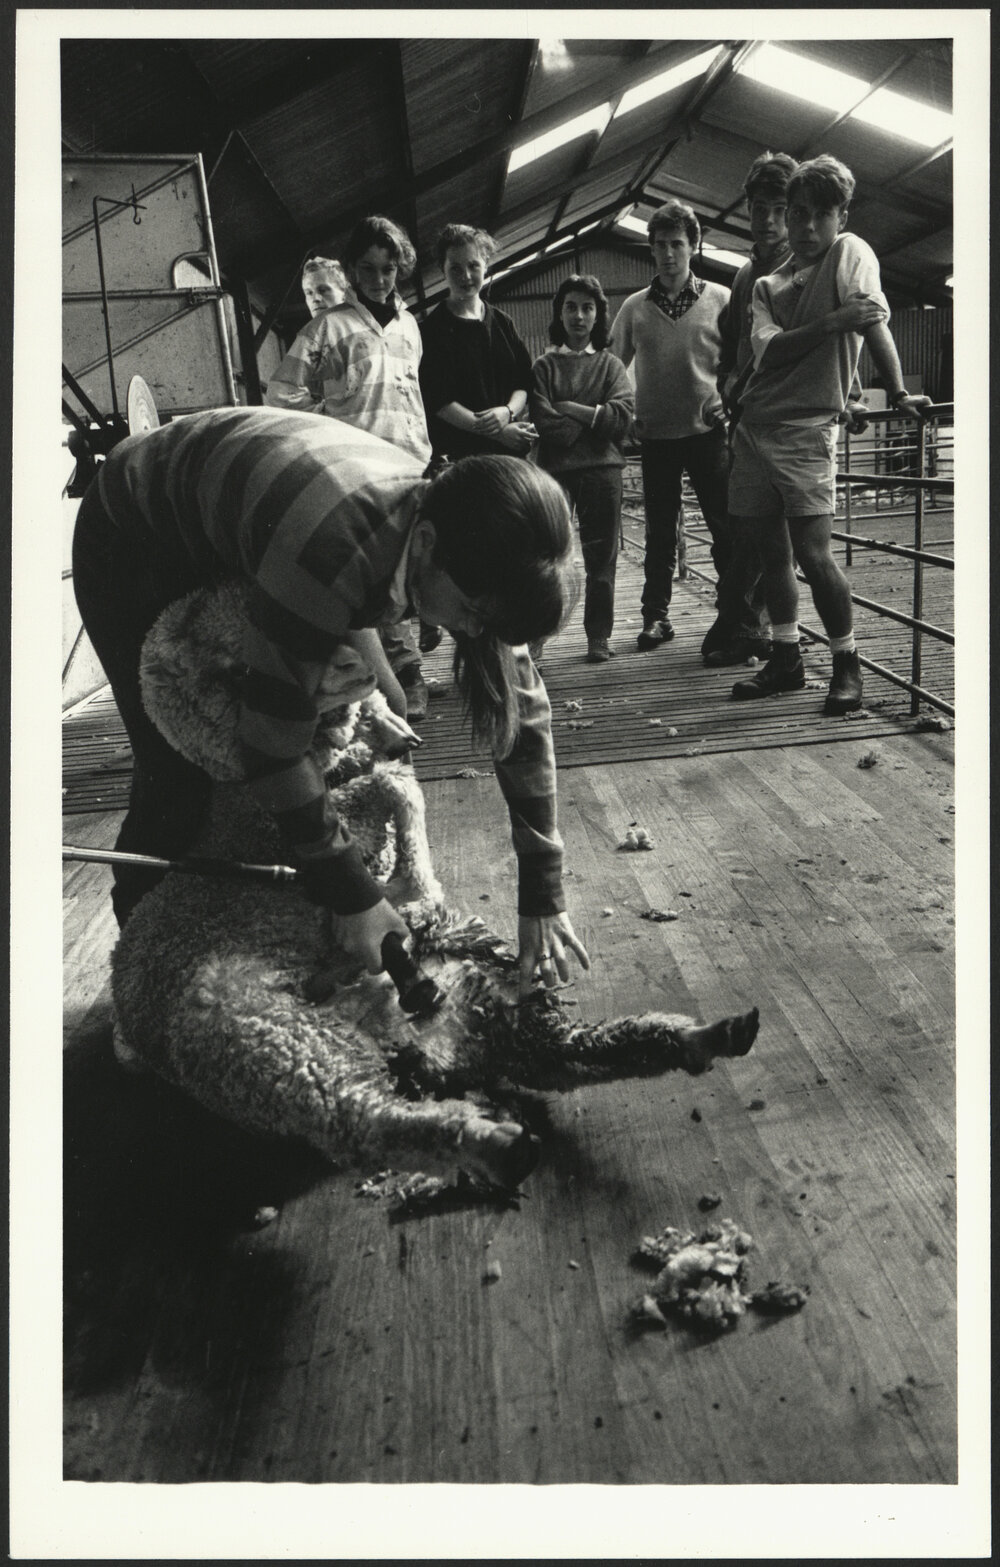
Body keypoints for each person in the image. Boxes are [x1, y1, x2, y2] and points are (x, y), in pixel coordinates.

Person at [72, 406, 590, 999]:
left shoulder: (469, 538)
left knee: (373, 695)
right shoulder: (335, 548)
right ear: (424, 543)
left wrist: (543, 893)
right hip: (133, 531)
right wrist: (353, 896)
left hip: (272, 519)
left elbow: (521, 718)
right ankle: (143, 968)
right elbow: (270, 748)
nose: (475, 634)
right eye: (473, 614)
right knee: (181, 765)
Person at [728, 154, 931, 715]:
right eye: (798, 214)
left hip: (806, 432)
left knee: (815, 556)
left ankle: (848, 665)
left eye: (821, 214)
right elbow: (771, 351)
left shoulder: (849, 253)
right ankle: (786, 658)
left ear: (841, 217)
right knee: (772, 556)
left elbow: (870, 318)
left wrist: (897, 390)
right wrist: (830, 324)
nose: (807, 227)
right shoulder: (767, 283)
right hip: (753, 427)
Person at [264, 216, 430, 719]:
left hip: (410, 462)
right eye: (368, 269)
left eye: (389, 269)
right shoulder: (328, 328)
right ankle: (405, 677)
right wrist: (335, 428)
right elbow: (281, 395)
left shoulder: (409, 325)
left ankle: (400, 675)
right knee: (374, 576)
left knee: (404, 571)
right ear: (353, 272)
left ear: (400, 268)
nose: (380, 279)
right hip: (357, 469)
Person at [610, 199, 733, 651]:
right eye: (660, 244)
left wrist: (727, 400)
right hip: (656, 437)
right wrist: (620, 416)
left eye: (677, 244)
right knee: (660, 531)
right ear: (650, 249)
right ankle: (655, 617)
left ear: (694, 246)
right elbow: (611, 367)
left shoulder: (721, 299)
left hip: (707, 435)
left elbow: (741, 362)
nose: (668, 254)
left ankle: (732, 611)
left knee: (723, 526)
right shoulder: (635, 308)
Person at [701, 151, 798, 667]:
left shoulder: (805, 267)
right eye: (758, 207)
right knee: (745, 524)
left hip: (788, 416)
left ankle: (751, 628)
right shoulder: (744, 275)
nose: (766, 220)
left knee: (770, 531)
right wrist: (725, 389)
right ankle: (738, 618)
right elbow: (732, 345)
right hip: (745, 416)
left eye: (778, 208)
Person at [529, 274, 634, 663]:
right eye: (571, 307)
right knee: (546, 557)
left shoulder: (610, 365)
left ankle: (598, 637)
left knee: (601, 559)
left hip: (603, 473)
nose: (578, 315)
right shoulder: (544, 366)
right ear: (560, 312)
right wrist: (595, 419)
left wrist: (571, 408)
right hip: (554, 473)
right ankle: (536, 636)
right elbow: (545, 423)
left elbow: (623, 420)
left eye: (587, 308)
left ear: (598, 315)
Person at [418, 223, 537, 464]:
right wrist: (498, 432)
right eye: (456, 268)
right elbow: (438, 401)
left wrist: (508, 411)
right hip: (461, 458)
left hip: (510, 454)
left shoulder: (503, 322)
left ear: (485, 264)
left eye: (473, 265)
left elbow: (523, 381)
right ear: (443, 270)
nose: (466, 276)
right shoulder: (432, 329)